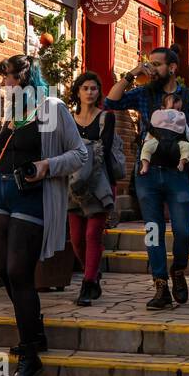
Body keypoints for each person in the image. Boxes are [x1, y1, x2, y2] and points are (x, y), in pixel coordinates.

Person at [0, 55, 88, 376]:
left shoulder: (52, 108)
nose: (7, 85)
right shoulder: (11, 114)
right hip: (2, 194)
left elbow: (80, 154)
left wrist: (46, 166)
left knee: (18, 271)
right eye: (5, 80)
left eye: (11, 79)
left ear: (27, 80)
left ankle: (30, 356)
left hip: (32, 198)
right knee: (2, 270)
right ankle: (34, 329)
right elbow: (8, 156)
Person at [104, 46, 189, 309]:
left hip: (178, 174)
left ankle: (178, 270)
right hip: (147, 174)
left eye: (157, 64)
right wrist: (133, 73)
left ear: (172, 68)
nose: (151, 68)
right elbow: (111, 101)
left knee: (184, 231)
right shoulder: (144, 93)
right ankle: (160, 284)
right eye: (148, 63)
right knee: (153, 230)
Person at [67, 72, 116, 307]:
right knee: (76, 239)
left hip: (99, 183)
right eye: (85, 88)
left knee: (92, 235)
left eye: (94, 88)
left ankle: (87, 285)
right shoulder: (69, 119)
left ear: (99, 92)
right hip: (73, 185)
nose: (89, 92)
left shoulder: (106, 117)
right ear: (77, 91)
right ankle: (92, 272)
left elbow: (103, 152)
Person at [138, 93, 189, 174]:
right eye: (172, 108)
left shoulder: (180, 121)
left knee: (187, 146)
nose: (175, 112)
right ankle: (145, 165)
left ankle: (182, 162)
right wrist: (147, 140)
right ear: (163, 108)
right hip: (158, 141)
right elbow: (152, 130)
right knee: (146, 147)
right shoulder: (159, 118)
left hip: (176, 142)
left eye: (178, 109)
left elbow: (188, 131)